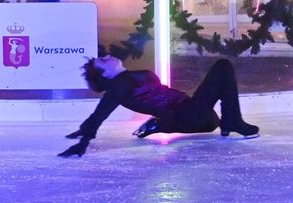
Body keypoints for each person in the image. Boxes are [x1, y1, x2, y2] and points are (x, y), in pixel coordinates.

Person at [58, 56, 259, 158]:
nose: (108, 55)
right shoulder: (119, 86)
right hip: (186, 115)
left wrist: (82, 129)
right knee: (222, 66)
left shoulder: (125, 79)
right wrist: (84, 140)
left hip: (193, 115)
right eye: (103, 60)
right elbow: (101, 111)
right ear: (106, 74)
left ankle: (162, 124)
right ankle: (232, 121)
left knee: (213, 121)